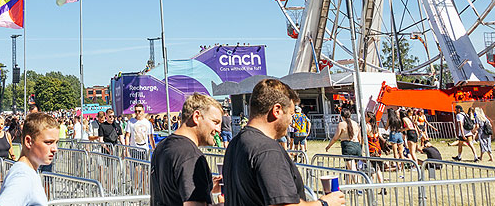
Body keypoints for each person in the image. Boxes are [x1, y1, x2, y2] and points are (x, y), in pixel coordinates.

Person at [223, 78, 345, 206]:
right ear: (277, 111)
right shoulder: (268, 150)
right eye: (291, 114)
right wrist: (324, 203)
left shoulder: (235, 143)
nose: (291, 121)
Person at [149, 93, 220, 206]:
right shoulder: (190, 156)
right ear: (196, 117)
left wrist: (208, 187)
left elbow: (173, 192)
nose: (219, 129)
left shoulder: (162, 146)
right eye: (215, 122)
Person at [0, 112, 59, 206]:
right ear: (28, 142)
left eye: (56, 142)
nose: (55, 149)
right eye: (48, 142)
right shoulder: (23, 176)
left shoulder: (29, 171)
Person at [324, 105, 362, 170]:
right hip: (357, 146)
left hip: (348, 147)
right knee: (349, 170)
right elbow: (359, 138)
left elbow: (335, 138)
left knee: (353, 170)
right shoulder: (356, 123)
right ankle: (349, 180)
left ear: (342, 116)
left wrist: (329, 146)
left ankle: (356, 180)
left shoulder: (341, 124)